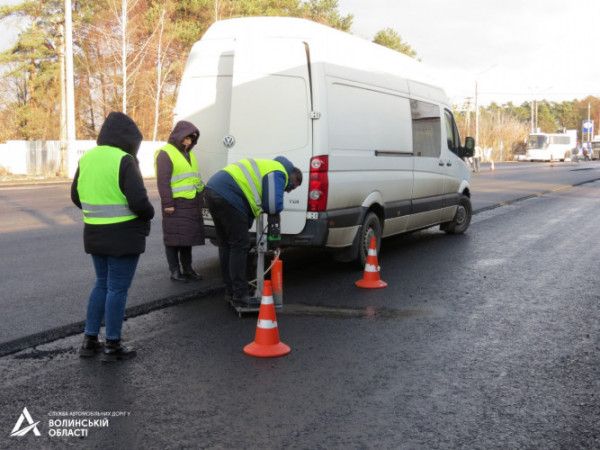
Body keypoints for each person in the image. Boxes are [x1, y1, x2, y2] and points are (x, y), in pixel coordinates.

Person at [71, 112, 155, 362]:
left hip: (94, 232)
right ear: (129, 138)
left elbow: (76, 195)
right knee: (117, 289)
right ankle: (113, 344)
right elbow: (139, 201)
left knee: (102, 283)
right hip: (124, 235)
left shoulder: (87, 157)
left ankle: (89, 340)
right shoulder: (124, 159)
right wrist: (149, 213)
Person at [204, 157, 302, 308]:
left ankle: (230, 291)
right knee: (239, 245)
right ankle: (240, 296)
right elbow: (273, 205)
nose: (288, 191)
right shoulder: (280, 171)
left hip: (212, 190)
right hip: (228, 195)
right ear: (291, 177)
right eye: (291, 187)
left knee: (226, 244)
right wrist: (275, 236)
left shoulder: (268, 167)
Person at [155, 121, 205, 282]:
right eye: (188, 138)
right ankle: (175, 271)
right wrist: (168, 203)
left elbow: (195, 177)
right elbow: (163, 181)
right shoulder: (165, 153)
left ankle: (188, 269)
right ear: (179, 136)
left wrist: (203, 194)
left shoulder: (188, 154)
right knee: (173, 240)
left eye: (192, 139)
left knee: (186, 239)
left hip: (190, 203)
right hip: (175, 204)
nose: (190, 142)